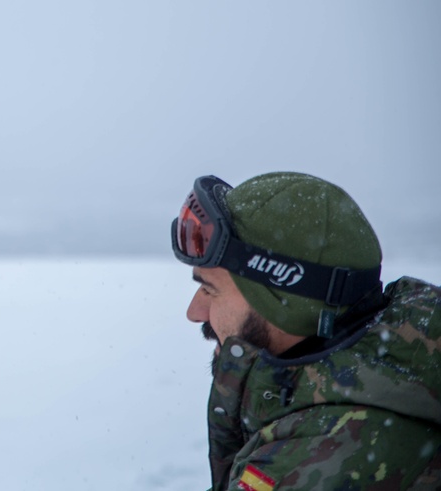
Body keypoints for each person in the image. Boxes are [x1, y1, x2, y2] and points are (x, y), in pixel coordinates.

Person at [171, 172, 441, 490]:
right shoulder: (389, 373)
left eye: (210, 290)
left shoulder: (321, 460)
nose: (193, 312)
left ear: (284, 303)